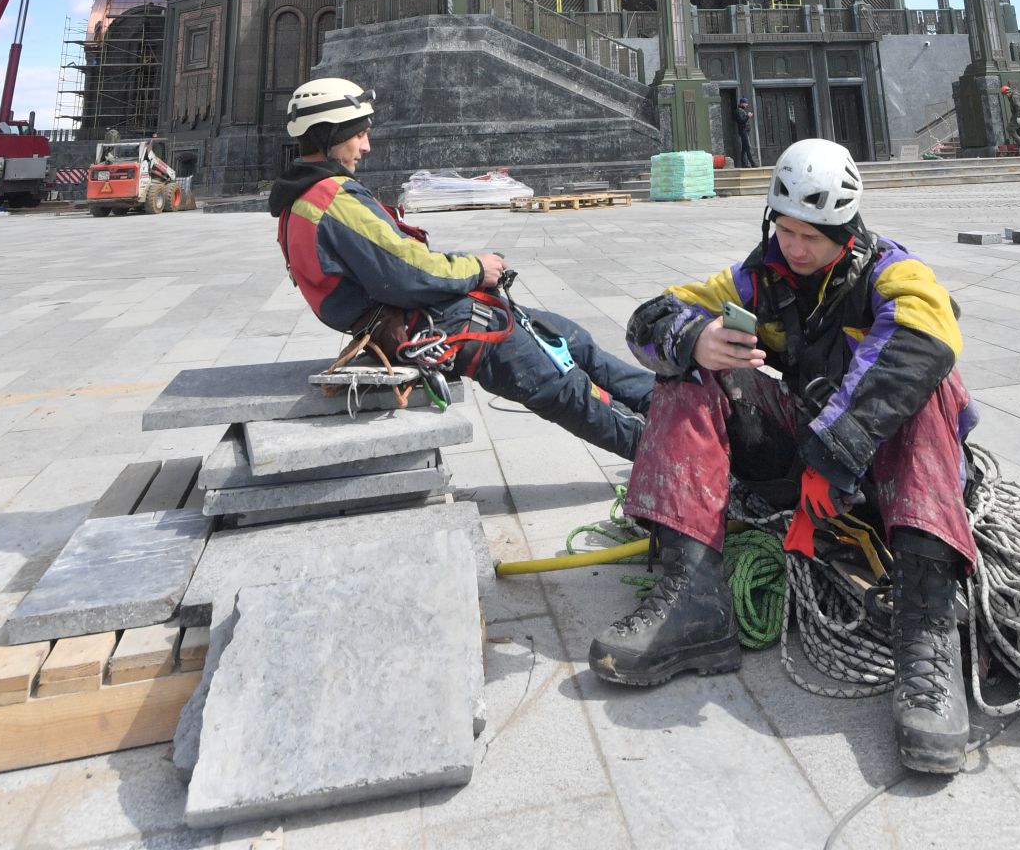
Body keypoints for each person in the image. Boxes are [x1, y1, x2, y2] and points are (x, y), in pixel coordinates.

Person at [588, 137, 978, 776]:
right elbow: (651, 317)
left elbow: (926, 336)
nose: (795, 249)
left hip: (885, 480)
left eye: (813, 237)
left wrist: (837, 451)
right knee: (688, 372)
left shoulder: (894, 275)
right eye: (787, 230)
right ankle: (693, 600)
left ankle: (927, 637)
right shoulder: (756, 278)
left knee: (932, 383)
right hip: (790, 467)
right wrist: (693, 338)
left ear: (847, 232)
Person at [270, 77, 653, 459]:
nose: (366, 147)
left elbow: (395, 262)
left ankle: (672, 405)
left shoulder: (300, 202)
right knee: (565, 387)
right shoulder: (333, 199)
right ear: (330, 135)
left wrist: (468, 267)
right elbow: (405, 274)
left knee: (572, 338)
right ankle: (673, 458)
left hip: (433, 316)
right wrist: (476, 268)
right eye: (359, 135)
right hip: (441, 325)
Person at [733, 95, 756, 167]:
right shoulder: (739, 111)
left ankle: (744, 164)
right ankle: (752, 163)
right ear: (742, 103)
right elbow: (741, 121)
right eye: (745, 103)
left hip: (745, 131)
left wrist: (748, 116)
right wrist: (748, 116)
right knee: (748, 147)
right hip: (743, 131)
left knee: (744, 148)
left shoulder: (742, 111)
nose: (747, 104)